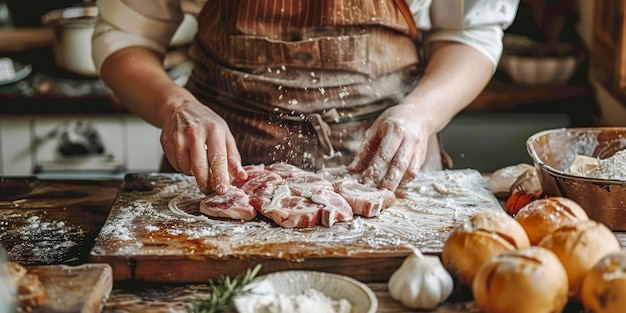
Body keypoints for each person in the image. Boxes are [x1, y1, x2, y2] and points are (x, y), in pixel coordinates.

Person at [92, 0, 519, 195]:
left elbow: (469, 32)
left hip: (388, 162)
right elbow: (127, 36)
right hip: (219, 172)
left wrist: (420, 113)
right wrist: (175, 104)